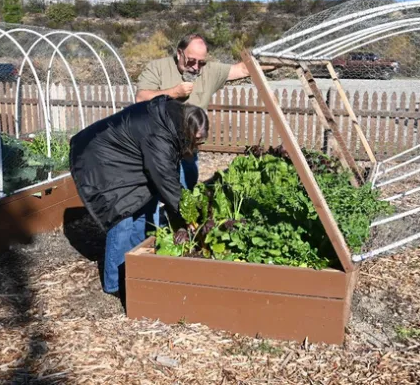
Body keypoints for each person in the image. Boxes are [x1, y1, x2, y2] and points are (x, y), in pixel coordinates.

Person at [69, 95, 209, 296]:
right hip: (100, 159)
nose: (197, 145)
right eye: (196, 140)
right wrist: (188, 218)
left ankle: (133, 270)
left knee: (143, 205)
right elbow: (167, 183)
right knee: (123, 214)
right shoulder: (160, 135)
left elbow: (167, 175)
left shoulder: (173, 120)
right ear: (187, 130)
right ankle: (114, 284)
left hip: (123, 157)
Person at [135, 33, 270, 190]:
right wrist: (174, 92)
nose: (195, 67)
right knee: (151, 194)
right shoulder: (158, 68)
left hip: (188, 150)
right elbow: (141, 98)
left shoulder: (209, 71)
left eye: (201, 63)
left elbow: (244, 69)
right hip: (157, 147)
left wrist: (280, 61)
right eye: (191, 61)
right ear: (179, 53)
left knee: (186, 193)